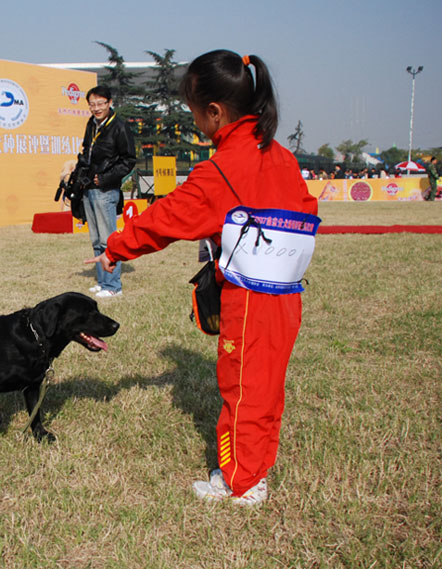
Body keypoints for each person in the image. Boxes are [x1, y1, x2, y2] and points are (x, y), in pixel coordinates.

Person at [86, 50, 318, 505]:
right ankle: (257, 468)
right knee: (266, 387)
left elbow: (165, 218)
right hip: (287, 296)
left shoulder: (221, 171)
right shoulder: (283, 157)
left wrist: (116, 247)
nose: (195, 122)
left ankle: (242, 482)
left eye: (194, 112)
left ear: (214, 112)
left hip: (250, 299)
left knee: (243, 387)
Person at [74, 85, 136, 298]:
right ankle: (102, 281)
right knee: (95, 238)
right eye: (92, 104)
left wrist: (106, 178)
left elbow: (129, 160)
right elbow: (86, 151)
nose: (97, 108)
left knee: (108, 239)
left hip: (106, 189)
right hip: (89, 187)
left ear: (110, 103)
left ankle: (113, 286)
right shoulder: (91, 124)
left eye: (101, 103)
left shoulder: (119, 127)